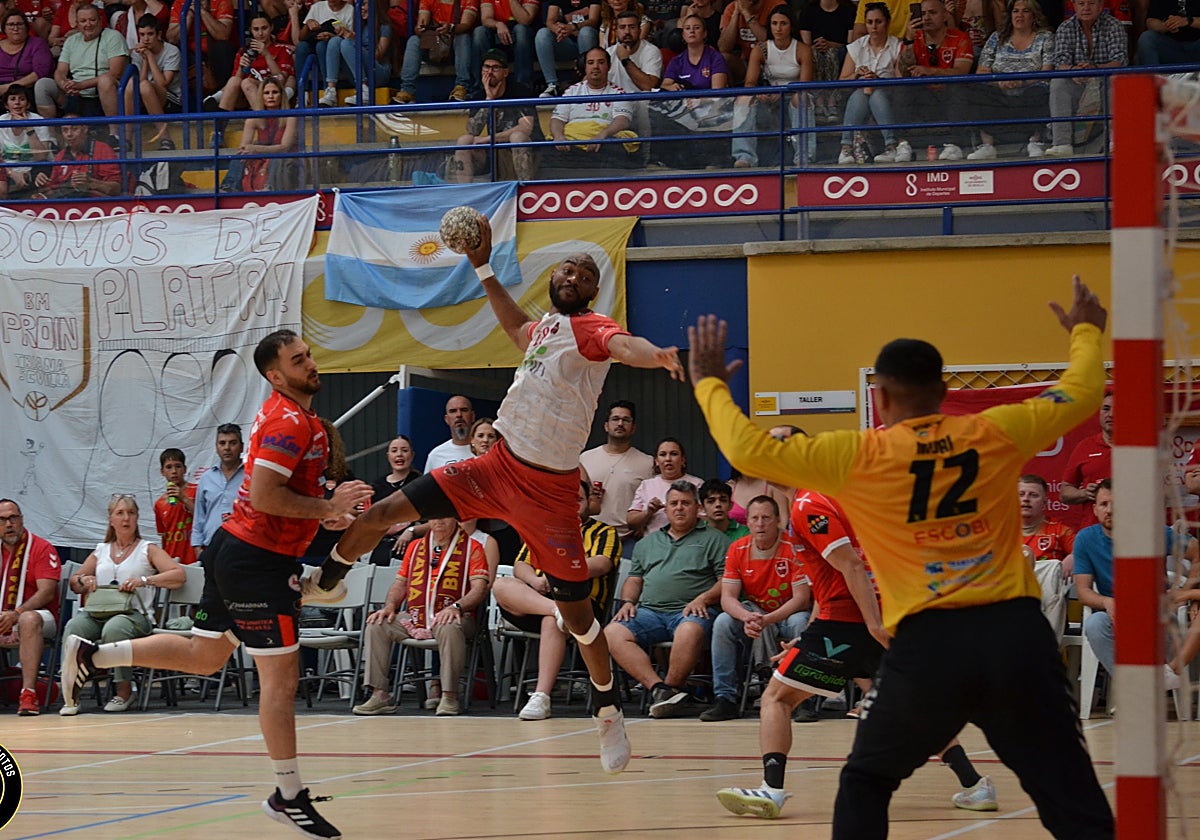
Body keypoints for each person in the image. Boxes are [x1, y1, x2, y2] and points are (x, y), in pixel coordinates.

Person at [689, 275, 1115, 838]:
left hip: (927, 641)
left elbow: (745, 449)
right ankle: (982, 785)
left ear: (880, 398)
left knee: (866, 781)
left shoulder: (859, 455)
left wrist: (710, 384)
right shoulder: (997, 430)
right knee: (1068, 791)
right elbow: (1083, 391)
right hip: (1014, 634)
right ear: (943, 391)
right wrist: (1085, 330)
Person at [307, 215, 684, 775]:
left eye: (582, 273)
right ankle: (327, 581)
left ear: (592, 289)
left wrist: (654, 355)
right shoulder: (545, 332)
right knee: (384, 511)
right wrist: (481, 264)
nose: (571, 275)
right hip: (494, 465)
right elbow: (514, 327)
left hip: (549, 492)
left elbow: (623, 344)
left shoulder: (592, 328)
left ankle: (608, 710)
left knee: (579, 617)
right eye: (565, 268)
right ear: (553, 280)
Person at [62, 329, 374, 838]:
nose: (311, 363)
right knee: (281, 679)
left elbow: (279, 493)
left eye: (310, 354)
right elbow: (270, 497)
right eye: (299, 360)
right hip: (256, 561)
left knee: (205, 658)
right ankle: (288, 794)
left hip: (246, 553)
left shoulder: (302, 419)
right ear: (276, 375)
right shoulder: (288, 421)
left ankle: (94, 656)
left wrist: (325, 510)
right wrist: (327, 508)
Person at [714, 486, 997, 816]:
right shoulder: (839, 499)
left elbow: (850, 566)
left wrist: (873, 625)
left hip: (849, 621)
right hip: (864, 616)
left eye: (778, 442)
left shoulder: (809, 502)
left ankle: (771, 790)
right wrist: (810, 636)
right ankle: (975, 785)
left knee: (776, 697)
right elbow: (834, 577)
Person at [492, 479, 621, 719]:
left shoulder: (604, 531)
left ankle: (541, 696)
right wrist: (535, 581)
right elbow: (521, 564)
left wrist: (561, 572)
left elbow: (602, 563)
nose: (573, 505)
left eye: (579, 499)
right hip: (539, 598)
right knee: (501, 584)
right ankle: (555, 610)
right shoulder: (543, 529)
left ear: (588, 502)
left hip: (583, 605)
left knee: (552, 621)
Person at [605, 480, 728, 718]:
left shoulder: (715, 539)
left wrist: (703, 598)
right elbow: (635, 579)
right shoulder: (647, 543)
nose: (679, 508)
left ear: (697, 508)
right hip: (650, 613)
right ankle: (660, 690)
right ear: (666, 508)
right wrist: (628, 602)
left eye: (686, 503)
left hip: (692, 612)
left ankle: (670, 689)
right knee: (612, 633)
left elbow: (727, 580)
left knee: (689, 630)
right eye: (674, 503)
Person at [352, 516, 490, 717]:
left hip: (458, 616)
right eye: (434, 517)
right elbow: (400, 583)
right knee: (378, 623)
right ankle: (380, 695)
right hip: (417, 617)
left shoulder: (472, 547)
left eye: (445, 516)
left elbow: (480, 589)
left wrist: (457, 607)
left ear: (456, 521)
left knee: (449, 625)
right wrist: (389, 606)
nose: (439, 521)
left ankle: (449, 695)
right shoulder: (416, 546)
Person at [60, 493, 185, 715]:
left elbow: (178, 575)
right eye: (120, 513)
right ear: (111, 519)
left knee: (115, 628)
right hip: (99, 611)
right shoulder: (101, 550)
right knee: (74, 628)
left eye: (131, 513)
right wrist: (84, 580)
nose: (126, 518)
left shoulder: (148, 549)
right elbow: (74, 582)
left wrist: (145, 580)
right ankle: (72, 694)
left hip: (135, 615)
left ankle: (124, 692)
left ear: (137, 518)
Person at [700, 494, 810, 722]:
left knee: (801, 623)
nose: (760, 524)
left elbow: (801, 598)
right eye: (755, 518)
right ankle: (725, 698)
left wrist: (766, 619)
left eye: (766, 518)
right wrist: (747, 616)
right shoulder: (737, 549)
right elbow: (727, 598)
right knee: (722, 622)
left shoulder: (793, 548)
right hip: (754, 611)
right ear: (747, 522)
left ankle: (802, 698)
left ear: (778, 521)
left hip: (788, 612)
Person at [1073, 479, 1197, 679]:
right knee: (1094, 624)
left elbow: (1196, 551)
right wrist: (1106, 601)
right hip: (1116, 616)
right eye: (1104, 504)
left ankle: (1139, 690)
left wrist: (1187, 591)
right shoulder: (1085, 539)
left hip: (1158, 614)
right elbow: (1083, 592)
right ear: (1095, 509)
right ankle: (1131, 687)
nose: (1110, 510)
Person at [965, 0, 1054, 160]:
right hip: (1000, 89)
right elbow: (982, 71)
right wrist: (999, 81)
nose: (1019, 15)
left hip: (1031, 89)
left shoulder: (1045, 37)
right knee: (976, 89)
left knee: (1042, 90)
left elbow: (1047, 71)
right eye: (1015, 11)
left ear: (1034, 16)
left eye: (1025, 11)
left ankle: (1036, 141)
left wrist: (1022, 82)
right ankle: (987, 145)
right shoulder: (996, 37)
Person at [0, 498, 61, 717]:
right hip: (4, 616)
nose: (9, 524)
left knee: (28, 619)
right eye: (3, 520)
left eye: (13, 518)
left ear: (21, 519)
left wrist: (16, 614)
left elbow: (46, 592)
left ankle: (29, 693)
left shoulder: (40, 547)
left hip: (41, 618)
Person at [731, 4, 811, 168]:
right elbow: (750, 83)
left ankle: (803, 155)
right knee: (743, 99)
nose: (778, 28)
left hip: (792, 99)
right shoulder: (761, 49)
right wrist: (761, 92)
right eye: (774, 24)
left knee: (801, 97)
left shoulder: (802, 50)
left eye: (783, 24)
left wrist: (782, 93)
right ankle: (744, 156)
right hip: (767, 101)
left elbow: (805, 85)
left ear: (791, 26)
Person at [893, 0, 974, 160]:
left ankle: (955, 145)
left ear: (945, 15)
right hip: (923, 98)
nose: (926, 18)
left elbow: (961, 72)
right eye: (923, 14)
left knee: (959, 87)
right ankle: (902, 145)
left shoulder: (960, 38)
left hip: (949, 96)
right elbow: (901, 73)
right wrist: (908, 41)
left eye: (933, 12)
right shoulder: (913, 38)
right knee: (901, 89)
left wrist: (930, 71)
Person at [1045, 0, 1126, 156]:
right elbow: (1060, 62)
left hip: (1104, 78)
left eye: (1091, 3)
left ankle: (1115, 140)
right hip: (1078, 81)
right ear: (1074, 6)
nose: (1086, 8)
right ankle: (1062, 144)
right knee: (1058, 83)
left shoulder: (1114, 25)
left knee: (1116, 80)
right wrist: (1074, 71)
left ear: (1100, 6)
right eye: (1081, 3)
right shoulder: (1065, 27)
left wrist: (1094, 69)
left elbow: (1119, 60)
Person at [450, 48, 539, 182]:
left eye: (495, 68)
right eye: (486, 67)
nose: (490, 72)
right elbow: (472, 130)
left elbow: (526, 128)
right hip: (494, 154)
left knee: (517, 136)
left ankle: (526, 188)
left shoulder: (520, 91)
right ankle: (465, 192)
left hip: (525, 151)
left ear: (505, 72)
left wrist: (488, 139)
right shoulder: (479, 96)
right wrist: (489, 100)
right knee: (464, 140)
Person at [580, 400, 655, 546]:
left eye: (626, 420)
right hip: (591, 537)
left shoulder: (647, 463)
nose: (620, 423)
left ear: (633, 428)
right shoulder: (585, 458)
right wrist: (591, 496)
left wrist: (643, 524)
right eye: (615, 419)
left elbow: (653, 501)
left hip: (629, 539)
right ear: (606, 426)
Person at [836, 3, 903, 163]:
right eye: (869, 22)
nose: (874, 27)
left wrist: (878, 80)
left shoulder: (897, 46)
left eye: (878, 22)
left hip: (888, 94)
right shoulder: (856, 46)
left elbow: (901, 80)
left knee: (875, 93)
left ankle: (891, 147)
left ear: (887, 22)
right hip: (860, 93)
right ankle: (846, 149)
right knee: (862, 93)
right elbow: (842, 80)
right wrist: (856, 74)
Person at [549, 47, 639, 163]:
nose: (595, 67)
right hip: (573, 142)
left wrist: (602, 135)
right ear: (585, 67)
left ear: (609, 67)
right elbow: (557, 119)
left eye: (601, 62)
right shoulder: (572, 91)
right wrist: (558, 136)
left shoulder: (619, 93)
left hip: (603, 143)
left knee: (614, 149)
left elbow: (622, 121)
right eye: (590, 63)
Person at [49, 4, 128, 130]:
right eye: (83, 21)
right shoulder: (71, 41)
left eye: (92, 20)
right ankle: (51, 138)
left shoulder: (113, 36)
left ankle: (115, 133)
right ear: (76, 24)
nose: (88, 24)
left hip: (105, 92)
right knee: (44, 85)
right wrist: (64, 84)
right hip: (74, 93)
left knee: (105, 81)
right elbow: (60, 71)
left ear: (101, 20)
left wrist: (81, 85)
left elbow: (115, 73)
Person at [1019, 473, 1073, 639]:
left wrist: (1075, 555)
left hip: (1046, 599)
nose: (1026, 499)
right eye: (1021, 494)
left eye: (1033, 495)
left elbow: (1084, 549)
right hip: (1008, 596)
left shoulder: (1059, 530)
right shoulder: (999, 532)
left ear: (1045, 503)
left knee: (1051, 567)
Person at [207, 14, 296, 113]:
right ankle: (220, 125)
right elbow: (235, 81)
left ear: (271, 27)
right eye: (256, 29)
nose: (260, 33)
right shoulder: (244, 51)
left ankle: (263, 121)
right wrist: (242, 67)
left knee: (247, 82)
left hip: (272, 92)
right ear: (251, 31)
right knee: (235, 81)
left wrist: (267, 55)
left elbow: (280, 79)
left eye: (264, 28)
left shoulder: (282, 49)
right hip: (246, 94)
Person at [221, 77, 298, 192]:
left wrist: (256, 148)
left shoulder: (291, 117)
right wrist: (251, 149)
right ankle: (230, 186)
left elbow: (284, 148)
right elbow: (244, 147)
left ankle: (269, 187)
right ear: (261, 96)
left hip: (286, 160)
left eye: (275, 92)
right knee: (241, 154)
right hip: (263, 156)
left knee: (277, 157)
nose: (271, 96)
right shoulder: (253, 120)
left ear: (282, 95)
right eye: (267, 93)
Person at [395, 0, 479, 104]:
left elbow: (466, 24)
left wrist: (450, 28)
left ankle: (461, 87)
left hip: (454, 46)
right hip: (434, 42)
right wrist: (420, 29)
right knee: (414, 40)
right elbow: (421, 23)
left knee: (463, 37)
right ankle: (407, 91)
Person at [125, 14, 181, 149]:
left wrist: (150, 56)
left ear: (158, 34)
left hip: (172, 97)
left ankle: (165, 138)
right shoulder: (137, 53)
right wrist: (144, 59)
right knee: (133, 82)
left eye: (150, 34)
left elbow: (163, 83)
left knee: (144, 85)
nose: (145, 39)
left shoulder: (171, 51)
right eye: (142, 34)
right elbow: (141, 81)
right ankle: (127, 138)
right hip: (147, 94)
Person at [323, 0, 395, 105]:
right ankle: (331, 90)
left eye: (364, 4)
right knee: (335, 41)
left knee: (347, 44)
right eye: (358, 5)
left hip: (378, 72)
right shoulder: (360, 26)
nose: (360, 8)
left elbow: (378, 56)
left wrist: (354, 42)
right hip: (358, 73)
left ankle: (364, 91)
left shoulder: (384, 26)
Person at [627, 437, 702, 536]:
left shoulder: (697, 484)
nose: (668, 459)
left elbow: (706, 519)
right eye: (663, 455)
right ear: (657, 461)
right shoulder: (646, 485)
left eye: (674, 454)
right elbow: (631, 523)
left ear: (683, 460)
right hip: (655, 545)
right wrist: (648, 512)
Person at [1059, 387, 1112, 528]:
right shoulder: (1085, 447)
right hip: (1094, 532)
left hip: (1134, 533)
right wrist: (1085, 493)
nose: (1111, 414)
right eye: (1106, 409)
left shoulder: (1140, 447)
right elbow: (1065, 493)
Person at [191, 422, 245, 559]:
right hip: (210, 550)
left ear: (242, 447)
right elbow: (199, 517)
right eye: (222, 443)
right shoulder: (206, 478)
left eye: (233, 443)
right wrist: (198, 549)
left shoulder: (251, 477)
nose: (227, 448)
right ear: (216, 447)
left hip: (243, 549)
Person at [367, 434, 422, 565]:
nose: (399, 455)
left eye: (404, 450)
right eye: (394, 451)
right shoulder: (376, 487)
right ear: (388, 456)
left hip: (412, 550)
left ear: (412, 455)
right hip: (379, 549)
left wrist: (411, 531)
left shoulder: (421, 484)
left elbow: (433, 521)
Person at [35, 114, 121, 197]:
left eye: (74, 129)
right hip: (66, 205)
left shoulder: (103, 149)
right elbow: (51, 191)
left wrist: (91, 183)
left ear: (85, 129)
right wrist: (42, 183)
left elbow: (116, 189)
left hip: (95, 205)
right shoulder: (60, 156)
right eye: (65, 130)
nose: (69, 134)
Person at [799, 0, 854, 124]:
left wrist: (830, 44)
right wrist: (819, 45)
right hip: (815, 53)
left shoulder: (848, 10)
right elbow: (806, 44)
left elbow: (851, 44)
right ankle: (819, 101)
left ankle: (832, 101)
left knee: (831, 54)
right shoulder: (808, 10)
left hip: (839, 53)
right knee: (813, 53)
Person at [290, 0, 357, 104]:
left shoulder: (350, 10)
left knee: (322, 46)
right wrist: (308, 24)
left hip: (335, 46)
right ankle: (303, 92)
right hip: (314, 42)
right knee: (302, 47)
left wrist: (332, 36)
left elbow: (350, 39)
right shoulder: (317, 7)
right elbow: (301, 38)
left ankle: (329, 90)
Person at [472, 0, 540, 92]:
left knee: (521, 30)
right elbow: (486, 19)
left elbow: (525, 20)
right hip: (497, 35)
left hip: (522, 41)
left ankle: (523, 87)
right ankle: (481, 88)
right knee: (480, 32)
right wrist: (498, 24)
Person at [536, 0, 601, 97]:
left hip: (589, 43)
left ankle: (586, 81)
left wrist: (573, 27)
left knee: (585, 32)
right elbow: (550, 21)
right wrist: (559, 31)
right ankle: (552, 85)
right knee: (542, 34)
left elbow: (593, 20)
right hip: (566, 42)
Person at [0, 82, 53, 199]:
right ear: (6, 105)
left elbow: (42, 157)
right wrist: (12, 173)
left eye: (22, 99)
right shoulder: (1, 121)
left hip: (35, 169)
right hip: (8, 170)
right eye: (12, 99)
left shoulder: (38, 120)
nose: (17, 103)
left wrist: (29, 128)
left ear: (28, 104)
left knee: (43, 177)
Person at [167, 0, 235, 88]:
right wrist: (188, 17)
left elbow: (223, 35)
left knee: (223, 47)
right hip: (190, 53)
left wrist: (202, 12)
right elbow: (171, 39)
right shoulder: (179, 3)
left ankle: (221, 94)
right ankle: (182, 97)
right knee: (173, 50)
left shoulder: (222, 1)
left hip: (214, 53)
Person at [0, 12, 55, 107]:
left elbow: (40, 72)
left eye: (20, 24)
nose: (15, 28)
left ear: (26, 27)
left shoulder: (38, 44)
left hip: (26, 89)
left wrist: (7, 88)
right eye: (11, 25)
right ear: (4, 28)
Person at [662, 12, 729, 89]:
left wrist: (696, 101)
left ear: (705, 33)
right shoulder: (677, 60)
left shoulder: (715, 58)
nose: (692, 31)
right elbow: (665, 85)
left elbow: (717, 92)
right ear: (683, 35)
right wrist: (671, 87)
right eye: (687, 28)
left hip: (709, 100)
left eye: (697, 28)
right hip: (684, 100)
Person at [154, 447, 196, 566]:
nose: (174, 471)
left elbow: (204, 519)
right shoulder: (159, 503)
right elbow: (164, 537)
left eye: (178, 466)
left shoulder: (196, 491)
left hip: (194, 558)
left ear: (184, 469)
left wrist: (184, 499)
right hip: (172, 560)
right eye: (169, 467)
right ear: (162, 472)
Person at [717, 0, 773, 83]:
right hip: (745, 63)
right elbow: (723, 48)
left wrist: (746, 13)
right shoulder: (732, 8)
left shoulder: (775, 5)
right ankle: (731, 94)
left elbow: (768, 41)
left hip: (770, 61)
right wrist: (736, 14)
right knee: (724, 58)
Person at [1137, 0, 1200, 66]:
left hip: (1197, 46)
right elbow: (1150, 21)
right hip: (1171, 48)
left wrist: (1188, 21)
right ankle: (1152, 75)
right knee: (1146, 38)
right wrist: (1166, 26)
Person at [425, 395, 476, 471]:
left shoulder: (486, 450)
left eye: (464, 410)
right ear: (447, 419)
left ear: (472, 416)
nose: (459, 415)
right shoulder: (436, 455)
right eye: (453, 411)